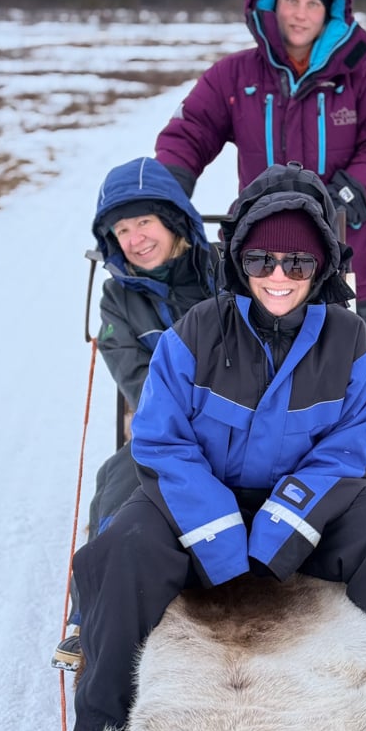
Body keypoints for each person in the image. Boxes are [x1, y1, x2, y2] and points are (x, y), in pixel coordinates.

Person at [68, 162, 366, 731]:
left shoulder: (354, 345)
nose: (279, 276)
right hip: (202, 505)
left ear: (321, 267)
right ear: (239, 259)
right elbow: (160, 439)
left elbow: (351, 452)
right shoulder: (194, 335)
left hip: (306, 512)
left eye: (298, 264)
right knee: (122, 546)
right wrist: (218, 535)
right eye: (264, 259)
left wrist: (280, 528)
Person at [154, 0, 366, 342]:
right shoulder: (235, 76)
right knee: (254, 382)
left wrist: (342, 198)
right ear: (268, 4)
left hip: (350, 260)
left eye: (313, 3)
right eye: (290, 0)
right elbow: (190, 132)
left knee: (351, 386)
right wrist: (164, 196)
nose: (300, 14)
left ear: (333, 11)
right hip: (261, 266)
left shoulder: (361, 76)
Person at [51, 155, 216, 670]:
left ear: (173, 220)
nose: (135, 238)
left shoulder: (224, 273)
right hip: (170, 432)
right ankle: (88, 618)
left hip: (250, 422)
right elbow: (141, 387)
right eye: (121, 230)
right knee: (117, 477)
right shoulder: (117, 301)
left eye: (144, 221)